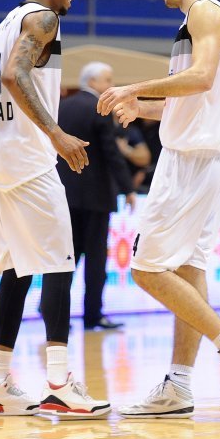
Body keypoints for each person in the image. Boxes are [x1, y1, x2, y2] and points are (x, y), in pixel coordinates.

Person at [97, 0, 220, 418]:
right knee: (189, 272)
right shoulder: (197, 20)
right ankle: (179, 385)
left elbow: (202, 78)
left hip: (190, 163)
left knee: (148, 269)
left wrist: (134, 86)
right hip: (201, 158)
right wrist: (145, 108)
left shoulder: (206, 12)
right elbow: (193, 98)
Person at [0, 0, 110, 418]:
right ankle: (59, 382)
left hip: (0, 160)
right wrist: (54, 134)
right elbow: (13, 75)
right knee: (59, 264)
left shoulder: (6, 22)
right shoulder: (44, 17)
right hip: (30, 163)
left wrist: (7, 128)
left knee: (17, 270)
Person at [57, 61, 135, 330]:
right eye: (107, 80)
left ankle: (54, 312)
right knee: (95, 259)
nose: (111, 85)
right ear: (92, 82)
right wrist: (128, 188)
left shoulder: (61, 106)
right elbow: (111, 152)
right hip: (96, 195)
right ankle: (92, 315)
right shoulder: (99, 108)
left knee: (66, 257)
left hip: (63, 193)